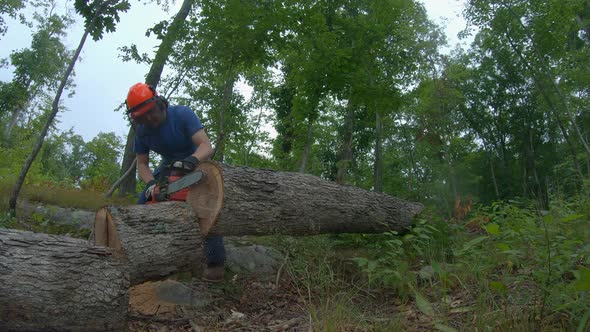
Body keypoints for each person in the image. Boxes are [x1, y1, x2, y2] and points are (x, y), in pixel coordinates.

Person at [125, 82, 225, 282]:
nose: (149, 119)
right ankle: (133, 255)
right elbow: (142, 165)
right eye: (142, 117)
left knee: (207, 207)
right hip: (168, 166)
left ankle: (216, 265)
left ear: (160, 103)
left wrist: (192, 160)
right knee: (141, 207)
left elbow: (206, 146)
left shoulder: (181, 114)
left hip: (196, 160)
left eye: (150, 112)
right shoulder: (142, 131)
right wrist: (151, 183)